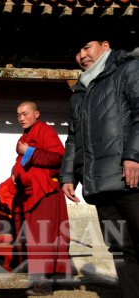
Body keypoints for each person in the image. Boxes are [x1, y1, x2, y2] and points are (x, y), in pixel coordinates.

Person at [59, 35, 139, 298]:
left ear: (105, 46)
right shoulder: (79, 93)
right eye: (77, 50)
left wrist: (134, 157)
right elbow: (73, 138)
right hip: (100, 186)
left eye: (86, 47)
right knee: (120, 249)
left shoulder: (128, 69)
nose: (82, 55)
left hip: (131, 180)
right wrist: (68, 175)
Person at [8, 101, 71, 296]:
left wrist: (29, 152)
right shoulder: (26, 135)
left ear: (37, 114)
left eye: (25, 114)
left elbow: (59, 158)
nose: (21, 118)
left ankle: (44, 285)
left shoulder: (45, 131)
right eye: (19, 114)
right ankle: (37, 281)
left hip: (44, 193)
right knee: (33, 239)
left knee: (42, 238)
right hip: (30, 194)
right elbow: (24, 162)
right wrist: (14, 171)